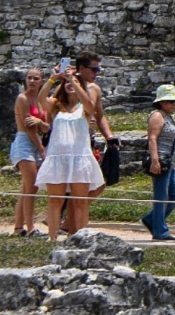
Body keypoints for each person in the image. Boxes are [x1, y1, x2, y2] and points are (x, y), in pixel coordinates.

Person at [35, 66, 103, 241]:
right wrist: (53, 79)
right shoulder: (56, 106)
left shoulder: (84, 107)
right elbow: (41, 99)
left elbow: (90, 105)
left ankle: (82, 239)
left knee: (80, 202)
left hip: (79, 158)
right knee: (55, 201)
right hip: (58, 158)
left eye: (73, 82)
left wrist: (74, 80)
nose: (69, 84)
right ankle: (52, 239)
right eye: (66, 82)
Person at [61, 51, 117, 235]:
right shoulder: (67, 85)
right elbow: (53, 107)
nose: (97, 72)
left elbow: (99, 116)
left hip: (88, 141)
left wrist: (109, 137)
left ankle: (69, 223)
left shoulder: (95, 89)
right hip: (70, 142)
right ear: (82, 68)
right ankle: (71, 228)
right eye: (94, 69)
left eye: (98, 68)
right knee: (76, 189)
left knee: (98, 184)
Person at [141, 84, 175, 242]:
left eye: (174, 101)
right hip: (161, 161)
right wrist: (155, 160)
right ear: (161, 102)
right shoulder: (157, 116)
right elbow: (152, 138)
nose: (173, 104)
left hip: (170, 164)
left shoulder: (168, 117)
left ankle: (152, 220)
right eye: (169, 101)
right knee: (161, 196)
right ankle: (160, 231)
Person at [10, 68, 47, 236]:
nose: (32, 81)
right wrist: (40, 148)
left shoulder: (40, 100)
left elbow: (45, 126)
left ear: (41, 80)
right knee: (31, 186)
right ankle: (30, 228)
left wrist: (40, 123)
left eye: (35, 78)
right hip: (25, 141)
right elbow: (28, 126)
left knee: (27, 188)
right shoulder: (22, 98)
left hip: (36, 140)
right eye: (29, 78)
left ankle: (19, 227)